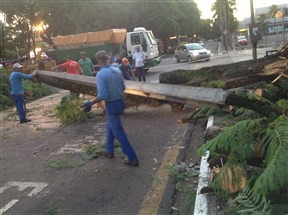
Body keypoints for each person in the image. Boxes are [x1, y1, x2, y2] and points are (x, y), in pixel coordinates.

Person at [82, 50, 139, 167]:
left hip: (112, 104)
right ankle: (109, 150)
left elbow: (103, 95)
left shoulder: (101, 74)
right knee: (110, 126)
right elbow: (123, 87)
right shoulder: (116, 70)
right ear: (107, 59)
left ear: (98, 61)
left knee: (119, 132)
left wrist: (91, 103)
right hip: (121, 102)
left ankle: (132, 157)